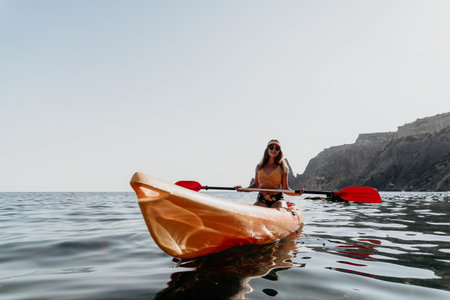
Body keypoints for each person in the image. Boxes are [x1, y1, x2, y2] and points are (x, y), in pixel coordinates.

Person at [236, 139, 304, 208]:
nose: (274, 150)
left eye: (277, 148)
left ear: (279, 151)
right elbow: (256, 185)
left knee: (279, 209)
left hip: (277, 199)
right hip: (262, 199)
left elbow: (285, 188)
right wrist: (242, 189)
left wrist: (297, 193)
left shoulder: (283, 168)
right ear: (267, 149)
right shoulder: (259, 167)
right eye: (271, 147)